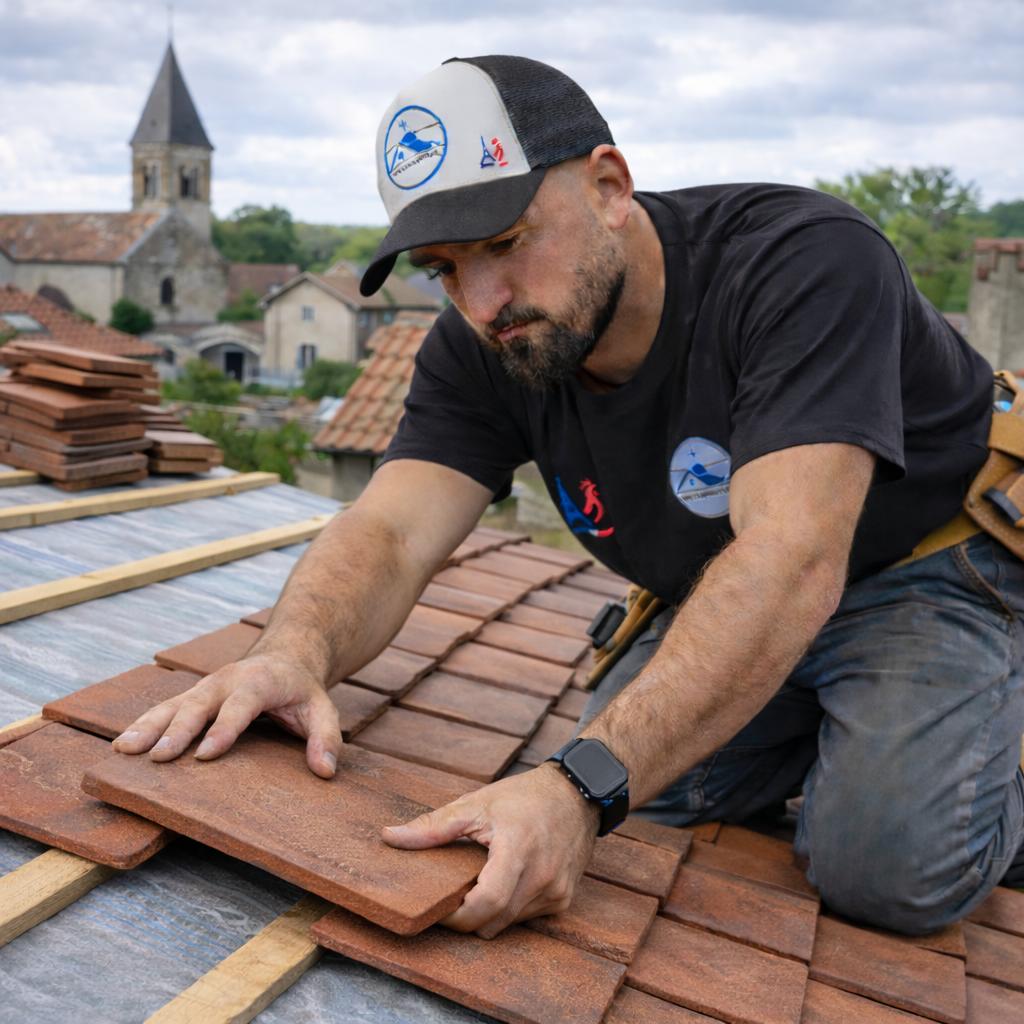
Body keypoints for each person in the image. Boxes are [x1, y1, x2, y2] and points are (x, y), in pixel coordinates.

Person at [114, 55, 1024, 938]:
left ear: (609, 187)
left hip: (925, 567)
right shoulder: (483, 343)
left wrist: (578, 790)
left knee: (883, 869)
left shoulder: (802, 264)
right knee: (651, 797)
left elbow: (791, 557)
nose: (483, 302)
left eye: (505, 242)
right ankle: (861, 736)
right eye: (442, 267)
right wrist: (294, 654)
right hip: (735, 588)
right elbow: (390, 530)